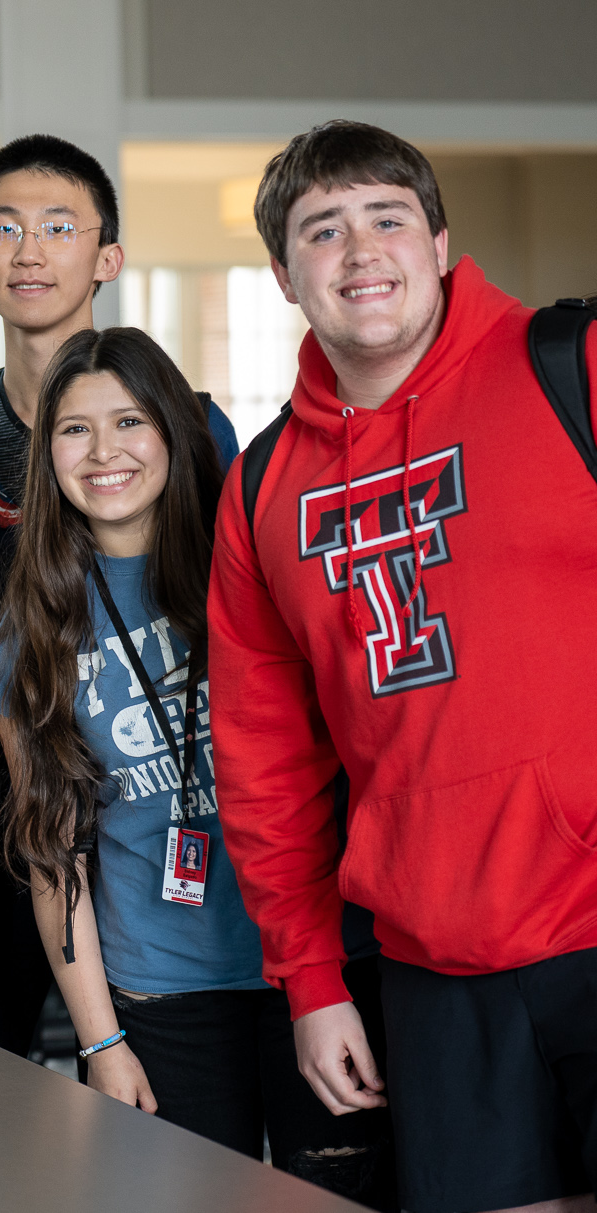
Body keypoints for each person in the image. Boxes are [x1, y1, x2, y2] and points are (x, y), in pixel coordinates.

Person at [212, 120, 597, 1213]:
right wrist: (309, 982)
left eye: (385, 217)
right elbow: (262, 765)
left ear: (438, 243)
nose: (358, 250)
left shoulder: (565, 367)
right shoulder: (260, 491)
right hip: (432, 967)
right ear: (285, 277)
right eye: (319, 231)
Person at [0, 327, 390, 1203]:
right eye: (74, 431)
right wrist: (99, 1042)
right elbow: (54, 860)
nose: (105, 452)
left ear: (171, 429)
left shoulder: (260, 568)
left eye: (128, 421)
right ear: (47, 457)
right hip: (161, 996)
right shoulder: (33, 634)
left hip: (314, 970)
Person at [0, 135, 240, 1056]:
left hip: (155, 805)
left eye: (59, 226)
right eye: (5, 228)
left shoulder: (191, 429)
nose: (30, 249)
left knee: (161, 1094)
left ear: (107, 258)